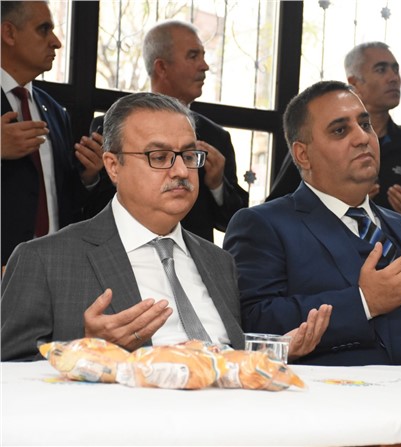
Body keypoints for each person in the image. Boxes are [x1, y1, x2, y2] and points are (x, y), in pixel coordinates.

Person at [1, 92, 330, 362]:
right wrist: (85, 351)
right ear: (113, 166)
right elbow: (10, 373)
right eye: (159, 157)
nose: (181, 172)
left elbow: (224, 358)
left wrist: (272, 353)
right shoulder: (45, 259)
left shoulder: (219, 262)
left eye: (189, 156)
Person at [223, 80, 401, 367]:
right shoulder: (263, 225)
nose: (362, 138)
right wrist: (364, 302)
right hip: (344, 389)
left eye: (365, 124)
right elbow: (255, 322)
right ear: (303, 154)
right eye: (340, 130)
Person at [86, 20, 248, 240]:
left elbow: (235, 222)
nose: (204, 66)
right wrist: (90, 179)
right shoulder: (109, 128)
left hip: (190, 257)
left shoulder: (216, 137)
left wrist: (217, 185)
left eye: (189, 156)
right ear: (161, 67)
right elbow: (88, 210)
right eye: (193, 56)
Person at [266, 42, 401, 235]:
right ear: (355, 82)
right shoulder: (316, 140)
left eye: (395, 69)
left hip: (394, 250)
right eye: (381, 69)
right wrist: (343, 202)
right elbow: (277, 211)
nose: (394, 78)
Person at [1, 1, 105, 265]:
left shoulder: (55, 111)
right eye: (43, 29)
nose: (56, 42)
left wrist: (88, 176)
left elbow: (62, 200)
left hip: (54, 265)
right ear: (9, 33)